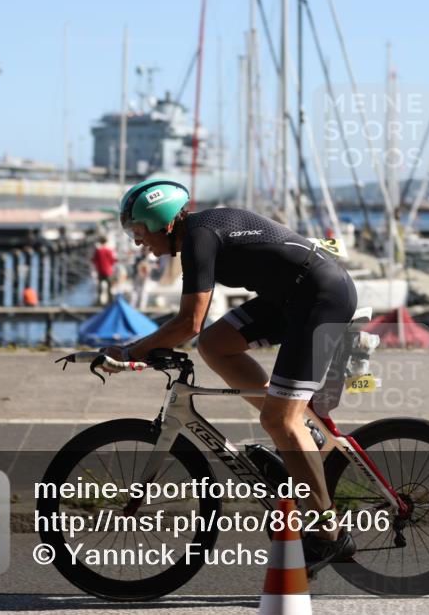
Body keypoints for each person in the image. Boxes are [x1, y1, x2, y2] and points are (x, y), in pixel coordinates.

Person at [104, 178, 358, 571]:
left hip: (321, 298)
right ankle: (303, 431)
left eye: (139, 231)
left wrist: (130, 351)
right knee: (215, 344)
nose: (138, 242)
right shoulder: (197, 233)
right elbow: (196, 331)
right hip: (291, 296)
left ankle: (329, 535)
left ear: (164, 224)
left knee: (276, 418)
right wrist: (144, 348)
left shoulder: (198, 238)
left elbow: (189, 321)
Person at [92, 237, 117, 304]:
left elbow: (94, 260)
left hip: (100, 271)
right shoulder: (109, 250)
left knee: (100, 287)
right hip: (108, 271)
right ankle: (110, 301)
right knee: (109, 287)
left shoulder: (98, 251)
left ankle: (99, 301)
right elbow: (112, 260)